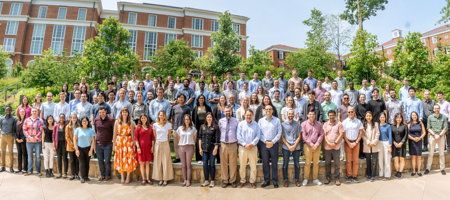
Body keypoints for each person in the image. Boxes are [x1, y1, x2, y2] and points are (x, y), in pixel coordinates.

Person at [258, 105, 282, 188]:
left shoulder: (277, 120)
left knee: (274, 163)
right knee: (265, 163)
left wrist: (272, 141)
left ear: (272, 110)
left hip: (274, 144)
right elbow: (259, 133)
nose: (268, 110)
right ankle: (266, 180)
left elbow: (279, 133)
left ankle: (275, 181)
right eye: (266, 109)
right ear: (264, 110)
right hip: (264, 144)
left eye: (270, 109)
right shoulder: (261, 121)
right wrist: (265, 141)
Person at [237, 110, 260, 189]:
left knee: (253, 166)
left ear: (252, 115)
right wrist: (245, 144)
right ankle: (242, 180)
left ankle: (252, 181)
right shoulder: (241, 124)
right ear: (244, 115)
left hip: (253, 148)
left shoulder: (256, 125)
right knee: (242, 166)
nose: (248, 116)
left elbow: (258, 136)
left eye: (250, 115)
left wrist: (252, 144)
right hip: (243, 148)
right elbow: (238, 136)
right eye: (247, 115)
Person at [113, 108, 137, 184]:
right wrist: (114, 145)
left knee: (129, 158)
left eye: (126, 112)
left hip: (128, 142)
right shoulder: (117, 122)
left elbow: (133, 134)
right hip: (119, 142)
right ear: (121, 113)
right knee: (120, 158)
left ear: (128, 113)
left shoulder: (131, 122)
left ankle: (128, 176)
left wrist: (133, 144)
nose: (124, 113)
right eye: (123, 112)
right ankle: (122, 176)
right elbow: (114, 134)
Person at [301, 110, 324, 186]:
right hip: (308, 146)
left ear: (315, 115)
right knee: (307, 163)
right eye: (310, 114)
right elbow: (304, 136)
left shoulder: (319, 124)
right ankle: (306, 178)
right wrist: (311, 144)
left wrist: (316, 144)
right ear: (307, 115)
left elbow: (321, 134)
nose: (312, 115)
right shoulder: (304, 124)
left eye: (313, 114)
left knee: (316, 163)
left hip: (317, 146)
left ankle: (315, 179)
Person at [218, 106, 239, 188]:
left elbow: (237, 132)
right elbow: (220, 131)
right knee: (223, 163)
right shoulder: (220, 121)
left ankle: (233, 180)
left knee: (233, 163)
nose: (228, 113)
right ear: (224, 112)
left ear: (231, 111)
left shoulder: (236, 121)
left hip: (233, 144)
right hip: (223, 144)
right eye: (226, 111)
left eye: (229, 111)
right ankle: (225, 180)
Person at [425, 104, 448, 175]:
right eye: (435, 108)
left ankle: (442, 169)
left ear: (439, 109)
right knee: (431, 153)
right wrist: (435, 135)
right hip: (432, 136)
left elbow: (445, 128)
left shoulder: (444, 117)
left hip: (441, 136)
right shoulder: (430, 117)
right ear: (433, 109)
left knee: (441, 154)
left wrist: (440, 135)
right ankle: (428, 168)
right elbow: (428, 128)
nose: (437, 109)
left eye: (438, 108)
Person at [342, 106, 363, 183]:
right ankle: (349, 175)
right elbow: (343, 134)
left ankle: (355, 175)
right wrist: (349, 143)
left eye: (352, 111)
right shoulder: (344, 122)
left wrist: (356, 142)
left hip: (356, 143)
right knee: (348, 160)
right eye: (349, 112)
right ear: (347, 113)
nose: (351, 113)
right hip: (347, 142)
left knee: (355, 160)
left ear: (354, 112)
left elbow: (361, 133)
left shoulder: (358, 122)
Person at [152, 111, 174, 186]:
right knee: (158, 162)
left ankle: (165, 179)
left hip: (165, 143)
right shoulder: (155, 125)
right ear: (158, 116)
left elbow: (169, 136)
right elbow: (155, 136)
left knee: (165, 161)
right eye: (160, 115)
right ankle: (160, 179)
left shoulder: (168, 125)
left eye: (163, 115)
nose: (161, 116)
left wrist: (167, 144)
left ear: (165, 116)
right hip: (158, 143)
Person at [94, 106, 115, 181]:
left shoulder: (111, 120)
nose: (101, 114)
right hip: (99, 144)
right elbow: (96, 131)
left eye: (103, 112)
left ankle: (107, 175)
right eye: (100, 112)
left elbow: (114, 132)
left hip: (108, 144)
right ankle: (102, 175)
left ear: (106, 112)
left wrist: (113, 142)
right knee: (100, 161)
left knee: (107, 161)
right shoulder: (96, 120)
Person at [199, 112, 220, 188]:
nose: (209, 118)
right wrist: (200, 148)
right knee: (205, 165)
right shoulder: (202, 126)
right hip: (204, 149)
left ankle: (212, 181)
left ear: (212, 118)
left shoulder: (216, 127)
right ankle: (206, 180)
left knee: (212, 165)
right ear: (206, 118)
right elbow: (200, 138)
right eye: (207, 117)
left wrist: (216, 148)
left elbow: (217, 139)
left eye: (210, 117)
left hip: (212, 149)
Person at [281, 110, 302, 187]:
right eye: (289, 114)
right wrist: (289, 146)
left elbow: (299, 136)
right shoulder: (282, 124)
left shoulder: (297, 124)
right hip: (286, 147)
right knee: (285, 164)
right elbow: (282, 137)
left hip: (296, 146)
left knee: (297, 164)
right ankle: (285, 180)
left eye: (292, 114)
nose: (291, 115)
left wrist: (294, 145)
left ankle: (297, 179)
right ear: (287, 115)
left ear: (294, 115)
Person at [323, 110, 344, 186]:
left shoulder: (339, 124)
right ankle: (328, 178)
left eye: (332, 115)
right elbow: (324, 135)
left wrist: (335, 143)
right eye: (330, 115)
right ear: (328, 116)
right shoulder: (325, 124)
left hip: (336, 146)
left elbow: (341, 134)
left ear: (335, 116)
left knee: (337, 163)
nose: (331, 117)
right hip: (327, 147)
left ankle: (337, 178)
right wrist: (328, 143)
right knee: (327, 163)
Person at [176, 114, 197, 187]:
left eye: (188, 119)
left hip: (190, 147)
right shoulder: (180, 128)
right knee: (183, 165)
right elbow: (178, 138)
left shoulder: (193, 129)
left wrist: (191, 145)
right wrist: (182, 144)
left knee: (188, 165)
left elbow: (194, 139)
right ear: (183, 120)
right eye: (185, 119)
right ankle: (184, 180)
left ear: (190, 120)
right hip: (181, 147)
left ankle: (188, 180)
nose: (187, 121)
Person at [170, 94, 192, 163]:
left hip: (184, 128)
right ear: (177, 99)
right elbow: (172, 118)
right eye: (179, 97)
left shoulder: (187, 108)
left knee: (183, 144)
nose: (181, 99)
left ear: (185, 99)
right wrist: (172, 127)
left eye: (182, 98)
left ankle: (183, 157)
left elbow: (189, 118)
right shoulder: (174, 107)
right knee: (176, 144)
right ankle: (177, 157)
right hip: (176, 128)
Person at [74, 117, 96, 183]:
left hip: (88, 148)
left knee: (87, 163)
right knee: (82, 163)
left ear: (88, 122)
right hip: (80, 148)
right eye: (83, 121)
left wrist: (91, 150)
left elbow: (93, 141)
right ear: (81, 122)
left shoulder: (91, 130)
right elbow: (75, 140)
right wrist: (76, 149)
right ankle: (82, 177)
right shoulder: (77, 129)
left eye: (86, 121)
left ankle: (86, 176)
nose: (84, 122)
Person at [135, 114, 155, 185]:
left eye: (144, 118)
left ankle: (148, 179)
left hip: (148, 148)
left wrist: (152, 147)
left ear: (147, 119)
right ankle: (143, 179)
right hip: (141, 148)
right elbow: (136, 139)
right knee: (142, 164)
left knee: (147, 164)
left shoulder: (150, 127)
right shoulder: (138, 127)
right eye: (142, 118)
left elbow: (152, 138)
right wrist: (138, 147)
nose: (143, 119)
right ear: (140, 119)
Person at [23, 108, 44, 176]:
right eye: (33, 111)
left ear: (37, 112)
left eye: (35, 111)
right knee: (30, 156)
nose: (34, 112)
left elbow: (41, 130)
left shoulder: (40, 120)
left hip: (37, 141)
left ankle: (38, 171)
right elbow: (24, 129)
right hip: (29, 141)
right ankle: (30, 171)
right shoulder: (27, 120)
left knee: (38, 156)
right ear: (31, 112)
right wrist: (29, 137)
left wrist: (35, 137)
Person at [192, 94, 212, 162]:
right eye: (200, 98)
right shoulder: (195, 108)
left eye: (202, 98)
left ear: (204, 99)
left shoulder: (208, 107)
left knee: (207, 141)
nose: (201, 99)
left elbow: (210, 116)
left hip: (206, 126)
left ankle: (207, 158)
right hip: (198, 127)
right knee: (199, 142)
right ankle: (199, 158)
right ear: (198, 99)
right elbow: (193, 117)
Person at [362, 111, 379, 181]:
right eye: (367, 116)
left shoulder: (375, 124)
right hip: (367, 144)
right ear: (365, 117)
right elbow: (362, 135)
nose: (368, 117)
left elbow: (378, 133)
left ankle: (373, 175)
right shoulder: (363, 125)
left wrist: (374, 141)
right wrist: (368, 142)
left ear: (372, 117)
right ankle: (368, 173)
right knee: (368, 161)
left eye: (370, 116)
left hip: (375, 144)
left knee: (374, 160)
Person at [408, 112, 426, 176]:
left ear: (417, 116)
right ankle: (413, 171)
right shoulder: (409, 124)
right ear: (411, 116)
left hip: (419, 141)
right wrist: (413, 138)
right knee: (413, 157)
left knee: (419, 157)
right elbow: (407, 134)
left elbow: (424, 133)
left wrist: (419, 138)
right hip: (412, 142)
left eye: (415, 115)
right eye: (413, 115)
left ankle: (418, 171)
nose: (414, 116)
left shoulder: (420, 123)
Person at [0, 106, 16, 172]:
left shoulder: (13, 119)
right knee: (2, 152)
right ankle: (3, 166)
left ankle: (11, 167)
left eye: (9, 110)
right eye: (7, 110)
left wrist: (13, 136)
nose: (8, 111)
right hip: (3, 136)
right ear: (5, 111)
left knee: (10, 152)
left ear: (11, 111)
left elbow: (14, 128)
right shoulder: (1, 118)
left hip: (10, 137)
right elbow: (1, 126)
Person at [391, 113, 408, 178]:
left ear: (402, 118)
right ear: (395, 118)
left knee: (401, 159)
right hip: (394, 145)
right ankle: (397, 171)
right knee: (396, 159)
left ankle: (400, 172)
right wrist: (394, 142)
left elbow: (406, 135)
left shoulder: (404, 126)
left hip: (402, 145)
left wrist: (401, 143)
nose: (398, 119)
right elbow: (391, 136)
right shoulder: (392, 126)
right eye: (397, 117)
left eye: (400, 117)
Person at [53, 114, 68, 178]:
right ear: (59, 118)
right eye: (60, 118)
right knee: (59, 158)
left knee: (65, 158)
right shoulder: (56, 126)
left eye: (63, 118)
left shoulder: (66, 126)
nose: (61, 119)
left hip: (64, 144)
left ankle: (65, 173)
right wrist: (54, 145)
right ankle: (59, 173)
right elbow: (53, 136)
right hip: (58, 144)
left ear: (64, 118)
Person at [378, 113, 392, 180]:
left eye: (383, 117)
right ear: (379, 118)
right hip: (379, 143)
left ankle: (387, 175)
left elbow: (390, 136)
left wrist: (390, 145)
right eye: (381, 117)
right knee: (380, 159)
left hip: (386, 143)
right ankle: (381, 174)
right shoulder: (377, 126)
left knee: (387, 159)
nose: (382, 118)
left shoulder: (388, 126)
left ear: (385, 118)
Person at [66, 113, 79, 180]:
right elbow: (67, 137)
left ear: (77, 118)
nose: (74, 119)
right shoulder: (68, 126)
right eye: (72, 118)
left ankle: (77, 174)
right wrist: (73, 145)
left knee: (77, 160)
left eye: (75, 117)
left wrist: (76, 145)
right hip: (70, 147)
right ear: (70, 118)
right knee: (71, 161)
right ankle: (72, 174)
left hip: (77, 146)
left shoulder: (79, 126)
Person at [15, 108, 28, 173]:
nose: (22, 113)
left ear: (25, 113)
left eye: (23, 112)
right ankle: (19, 168)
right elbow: (14, 130)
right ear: (19, 113)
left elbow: (27, 130)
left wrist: (23, 139)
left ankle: (25, 168)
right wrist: (16, 138)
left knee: (24, 154)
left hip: (24, 140)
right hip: (17, 140)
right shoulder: (17, 120)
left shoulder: (27, 120)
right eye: (21, 112)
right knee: (19, 154)